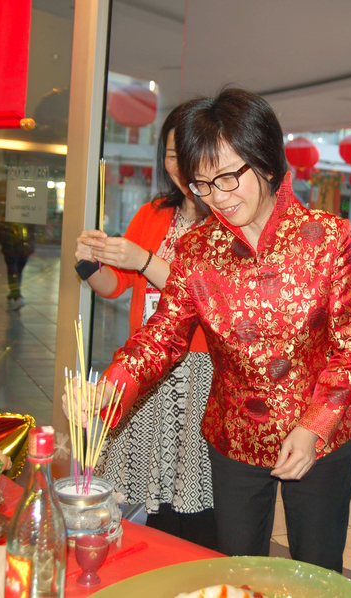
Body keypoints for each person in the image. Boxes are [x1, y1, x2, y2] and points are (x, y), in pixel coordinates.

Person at [65, 88, 351, 573]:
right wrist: (110, 389)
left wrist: (313, 428)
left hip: (322, 436)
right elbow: (161, 336)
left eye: (230, 177)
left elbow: (349, 348)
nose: (221, 198)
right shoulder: (196, 250)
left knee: (317, 569)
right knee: (238, 568)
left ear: (266, 161)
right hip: (235, 435)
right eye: (204, 185)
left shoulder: (328, 238)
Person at [73, 104, 217, 549]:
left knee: (189, 497)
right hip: (146, 367)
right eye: (172, 154)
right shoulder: (155, 212)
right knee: (137, 495)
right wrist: (88, 262)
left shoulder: (227, 222)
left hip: (199, 372)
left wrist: (145, 261)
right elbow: (115, 285)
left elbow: (206, 296)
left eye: (189, 153)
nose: (179, 166)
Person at [0, 220, 35, 311]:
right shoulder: (29, 216)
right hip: (24, 248)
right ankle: (13, 294)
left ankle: (17, 295)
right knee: (17, 272)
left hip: (11, 248)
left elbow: (1, 233)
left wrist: (4, 244)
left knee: (13, 271)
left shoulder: (9, 215)